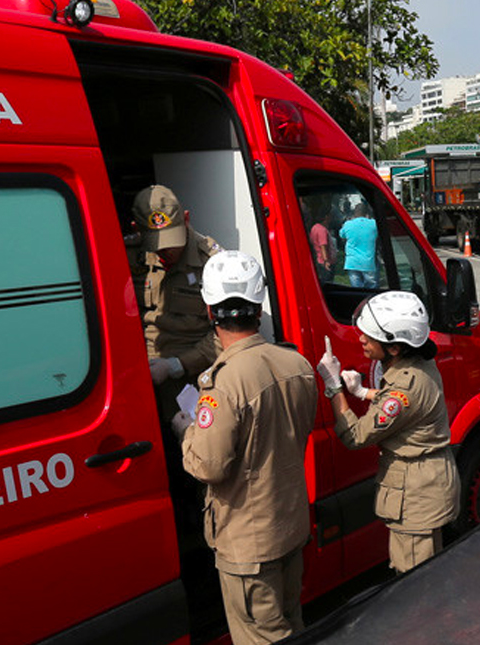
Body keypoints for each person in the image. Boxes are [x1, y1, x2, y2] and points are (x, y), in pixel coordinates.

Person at [176, 250, 317, 645]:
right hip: (290, 526)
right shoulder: (297, 364)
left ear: (209, 311)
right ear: (258, 306)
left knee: (261, 636)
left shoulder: (223, 383)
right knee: (291, 623)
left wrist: (187, 431)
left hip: (249, 545)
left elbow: (209, 466)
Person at [317, 291, 459, 574]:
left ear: (394, 348)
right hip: (429, 482)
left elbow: (355, 436)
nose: (361, 340)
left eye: (369, 338)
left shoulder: (403, 388)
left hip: (416, 496)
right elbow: (399, 402)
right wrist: (362, 392)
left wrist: (335, 388)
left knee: (415, 583)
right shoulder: (420, 364)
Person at [134, 184, 222, 399]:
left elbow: (229, 333)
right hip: (137, 372)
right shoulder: (127, 256)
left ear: (186, 218)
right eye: (158, 244)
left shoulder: (212, 262)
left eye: (173, 240)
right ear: (137, 229)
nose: (167, 250)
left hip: (192, 374)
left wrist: (176, 365)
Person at [339, 202, 378, 288]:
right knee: (371, 289)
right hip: (368, 262)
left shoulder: (348, 224)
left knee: (356, 289)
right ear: (366, 214)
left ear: (354, 214)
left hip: (352, 262)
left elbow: (341, 235)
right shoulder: (374, 224)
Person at [308, 206, 337, 283]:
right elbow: (323, 246)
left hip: (319, 259)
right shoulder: (322, 230)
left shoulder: (314, 227)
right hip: (325, 261)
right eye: (330, 216)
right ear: (326, 217)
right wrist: (326, 261)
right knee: (328, 282)